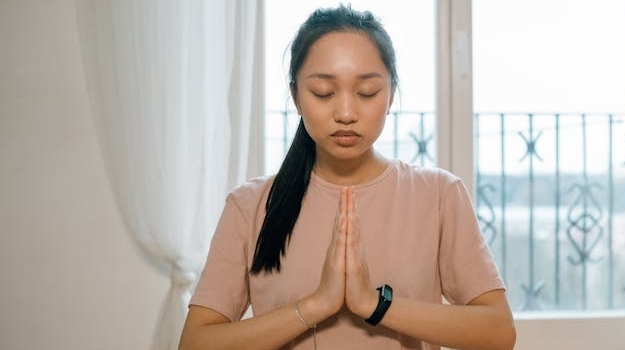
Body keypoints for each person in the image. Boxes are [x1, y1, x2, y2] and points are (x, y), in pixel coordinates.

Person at [178, 4, 516, 350]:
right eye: (323, 92)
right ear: (296, 97)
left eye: (367, 92)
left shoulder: (438, 195)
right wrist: (316, 305)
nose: (345, 113)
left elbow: (498, 331)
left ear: (391, 95)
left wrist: (373, 305)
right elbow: (195, 343)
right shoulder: (249, 206)